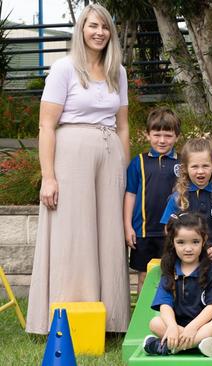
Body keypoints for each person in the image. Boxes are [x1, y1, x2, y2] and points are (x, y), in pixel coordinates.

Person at [26, 4, 131, 334]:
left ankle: (111, 320)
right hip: (71, 155)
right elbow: (46, 125)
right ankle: (68, 320)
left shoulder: (118, 71)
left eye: (105, 27)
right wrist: (48, 176)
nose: (99, 32)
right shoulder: (63, 68)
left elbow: (124, 126)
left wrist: (126, 172)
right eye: (92, 26)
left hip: (111, 153)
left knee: (110, 235)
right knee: (74, 235)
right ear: (81, 30)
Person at [144, 213, 212, 357]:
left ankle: (172, 347)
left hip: (204, 326)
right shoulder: (170, 270)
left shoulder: (211, 270)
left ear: (204, 241)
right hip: (178, 326)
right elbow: (165, 305)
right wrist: (172, 326)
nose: (188, 248)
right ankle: (209, 346)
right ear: (173, 242)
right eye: (181, 242)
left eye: (195, 242)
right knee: (155, 323)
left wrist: (193, 328)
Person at [160, 138, 212, 301]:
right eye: (195, 166)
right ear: (185, 169)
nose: (200, 171)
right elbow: (168, 229)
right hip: (187, 255)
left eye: (205, 166)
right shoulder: (178, 199)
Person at [124, 107, 181, 294]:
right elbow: (130, 194)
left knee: (172, 274)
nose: (162, 140)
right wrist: (128, 226)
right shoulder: (138, 162)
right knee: (144, 276)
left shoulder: (183, 163)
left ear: (177, 137)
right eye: (157, 135)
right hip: (144, 231)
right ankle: (143, 318)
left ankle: (169, 316)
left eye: (168, 135)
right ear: (147, 135)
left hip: (173, 231)